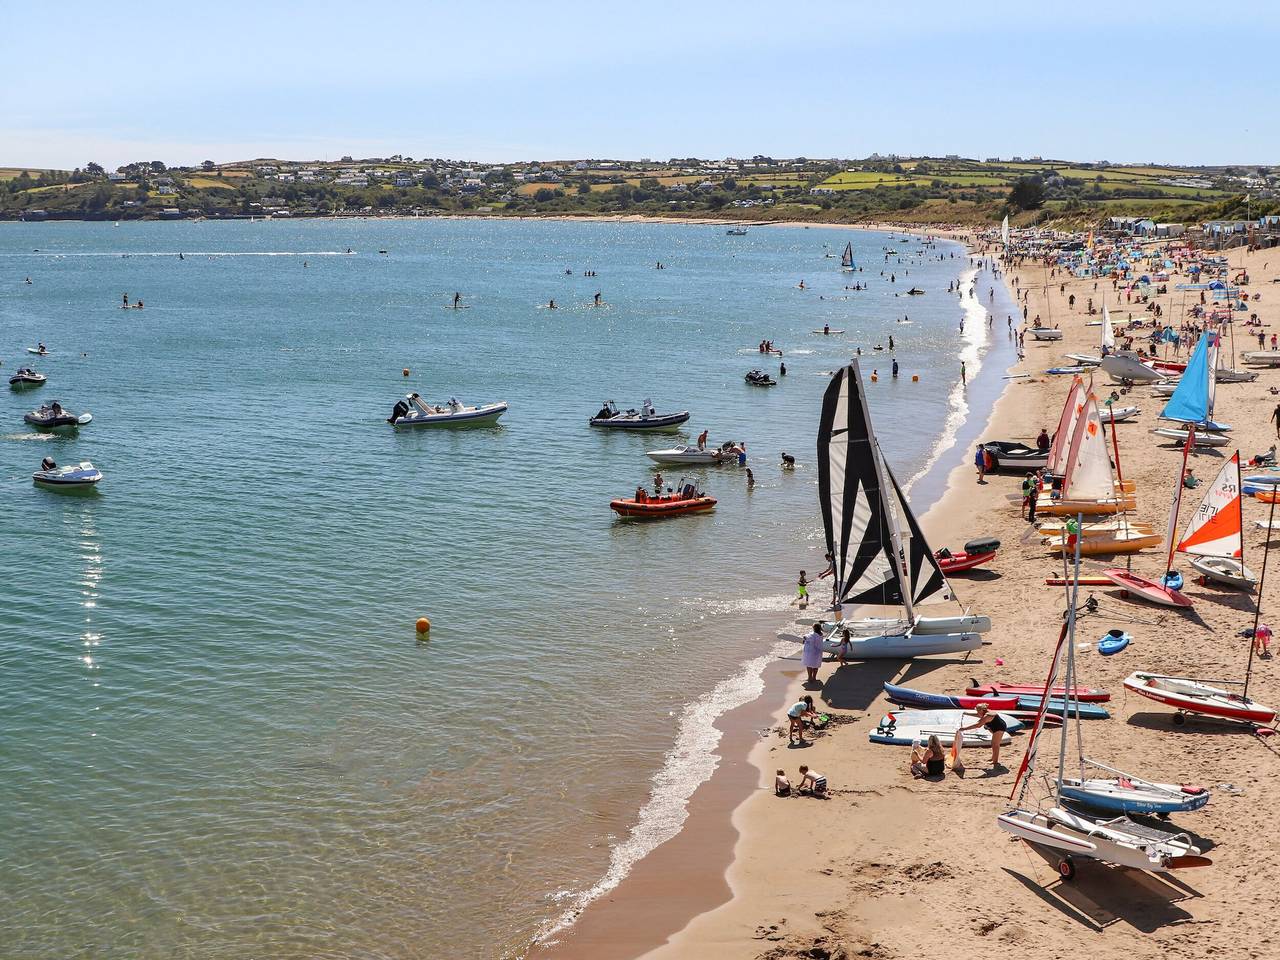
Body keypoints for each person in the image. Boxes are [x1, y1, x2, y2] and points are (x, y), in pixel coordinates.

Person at [954, 704, 1007, 770]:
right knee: (994, 744)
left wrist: (964, 728)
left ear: (982, 710)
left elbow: (978, 725)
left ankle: (995, 761)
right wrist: (967, 713)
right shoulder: (984, 712)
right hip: (993, 726)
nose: (977, 712)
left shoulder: (988, 715)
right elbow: (979, 715)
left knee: (995, 744)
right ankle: (993, 758)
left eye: (977, 710)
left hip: (999, 728)